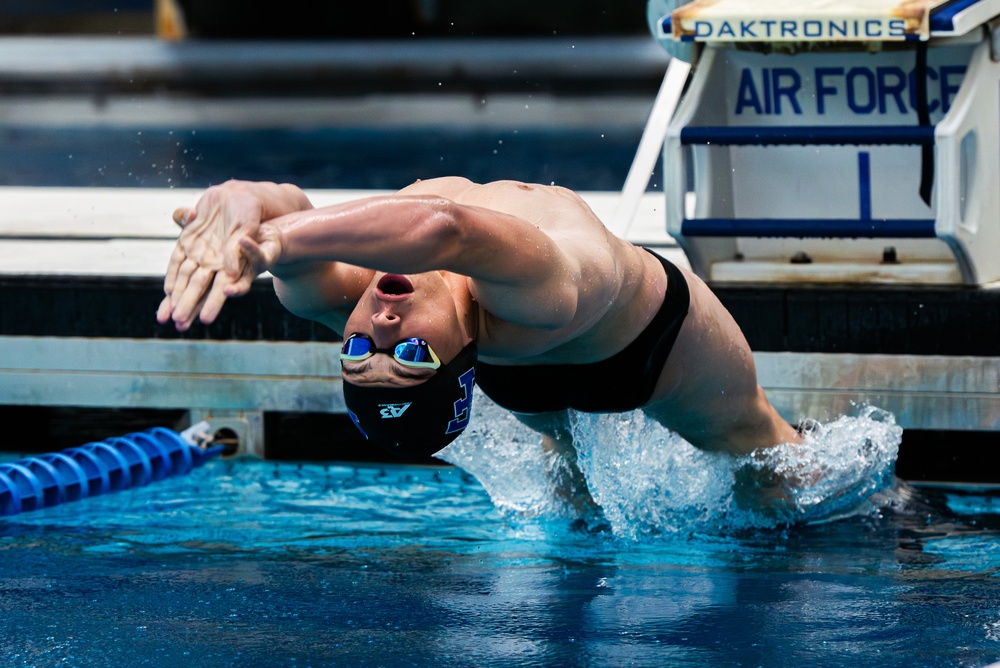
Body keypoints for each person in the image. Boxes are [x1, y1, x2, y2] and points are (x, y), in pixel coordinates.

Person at [157, 177, 801, 511]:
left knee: (756, 470)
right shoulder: (536, 301)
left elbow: (285, 203)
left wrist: (240, 201)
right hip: (654, 348)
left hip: (562, 364)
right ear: (466, 354)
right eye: (410, 357)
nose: (381, 332)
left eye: (358, 355)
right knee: (765, 457)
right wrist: (283, 239)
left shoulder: (332, 297)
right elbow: (447, 226)